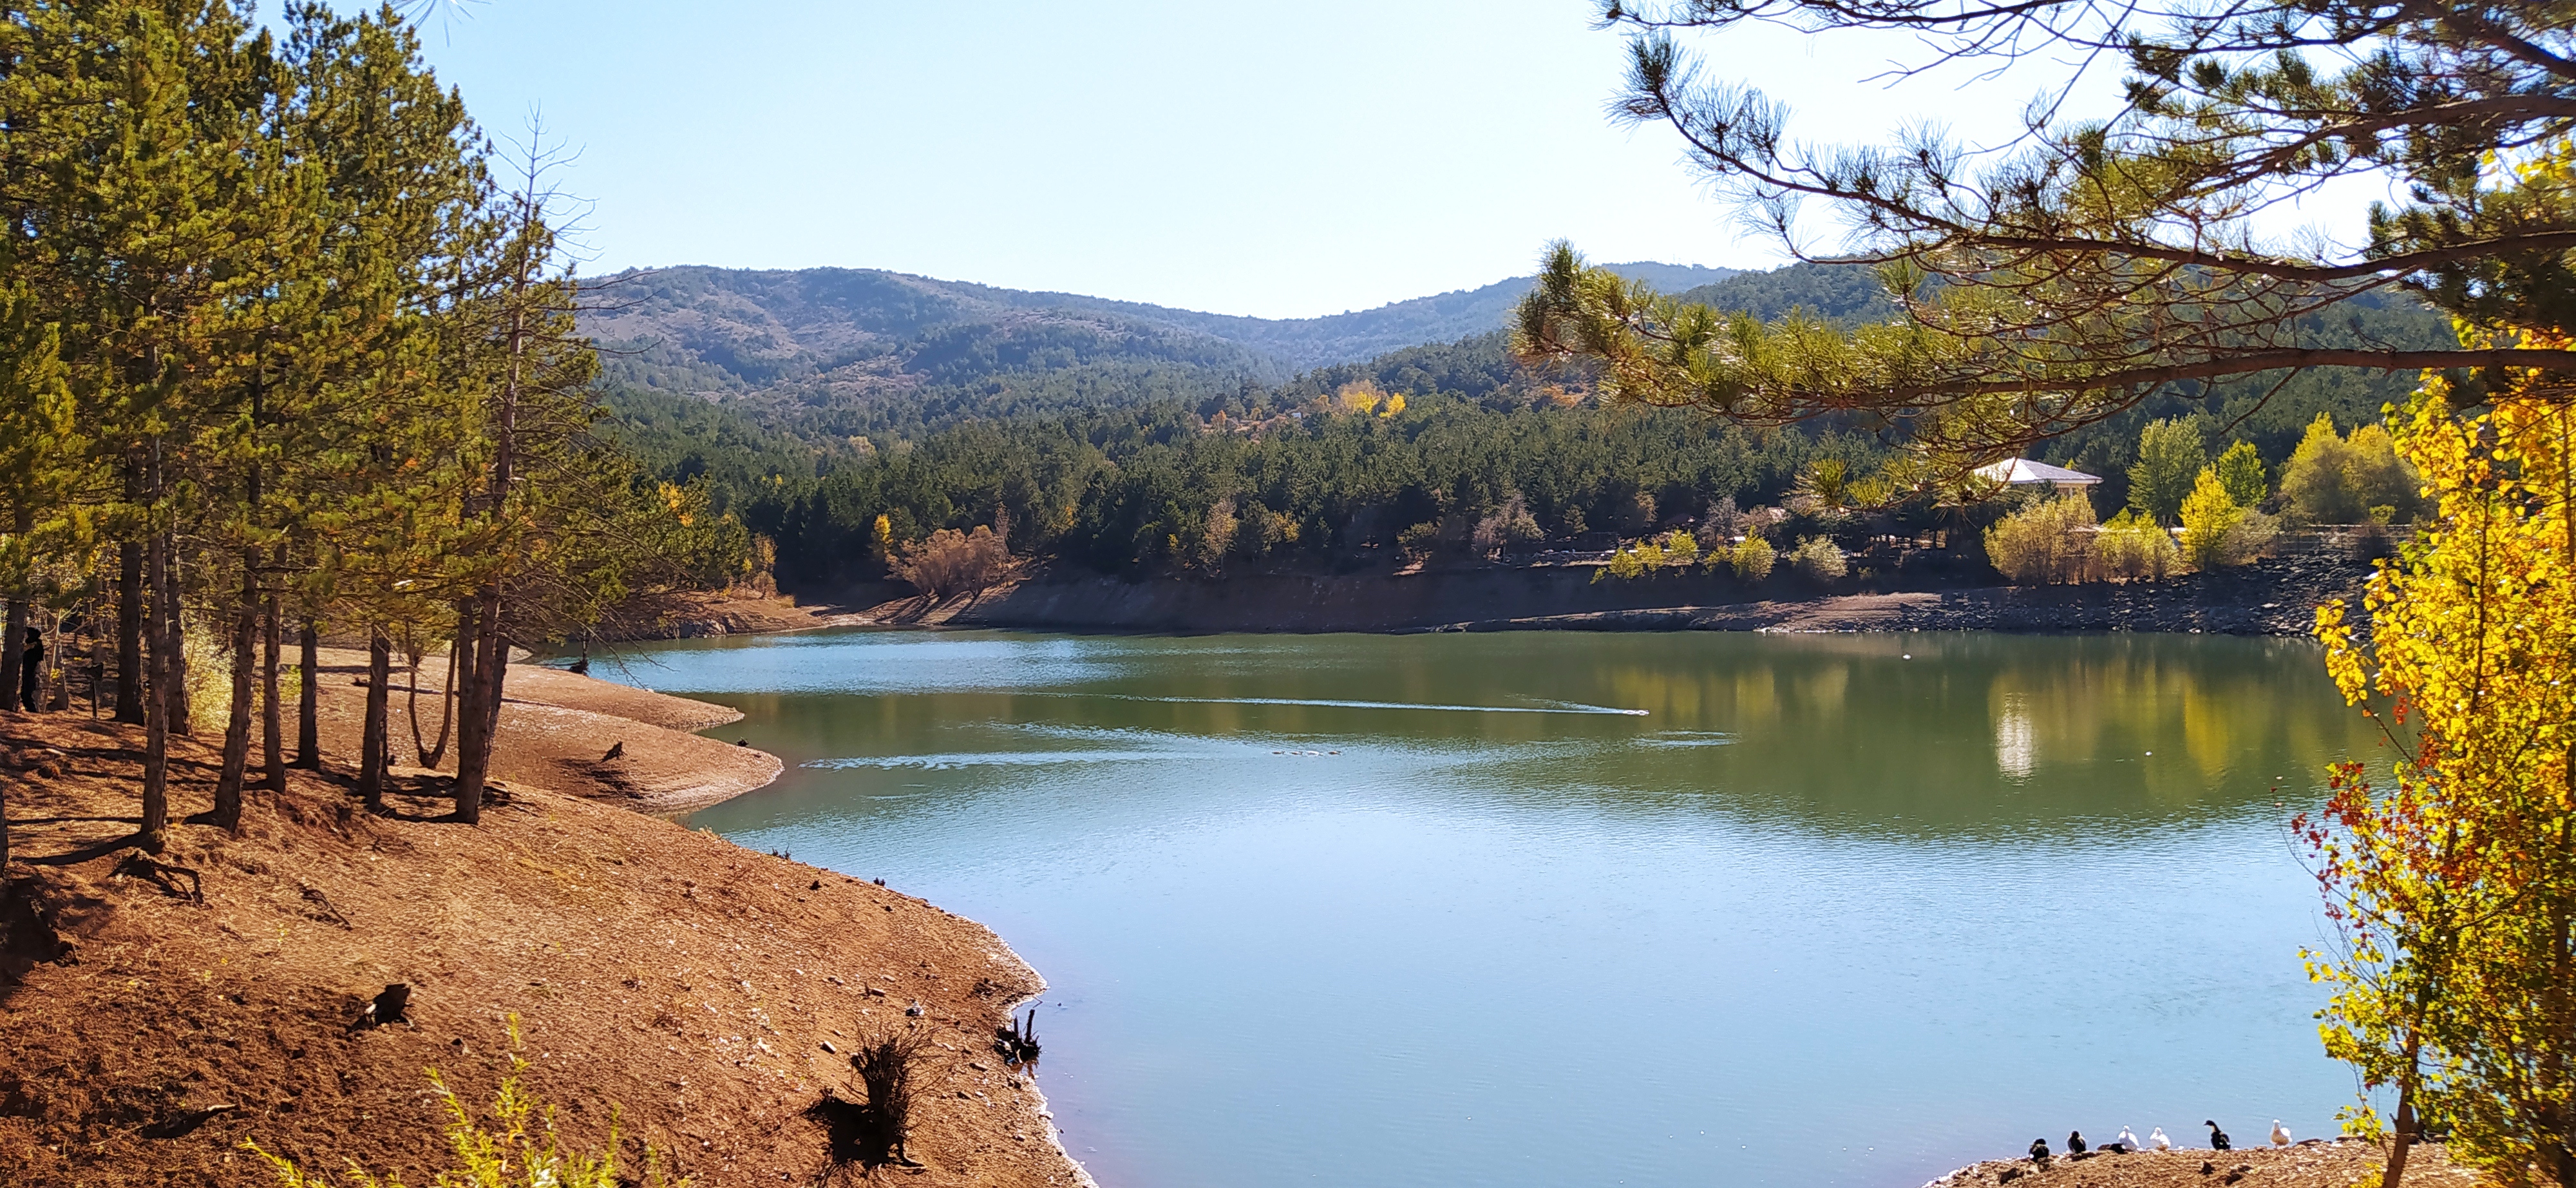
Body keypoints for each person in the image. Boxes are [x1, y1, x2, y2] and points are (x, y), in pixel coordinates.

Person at [19, 626, 43, 711]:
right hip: (28, 672)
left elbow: (24, 649)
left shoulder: (36, 644)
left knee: (29, 693)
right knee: (25, 693)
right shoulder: (33, 644)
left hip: (33, 673)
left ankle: (33, 712)